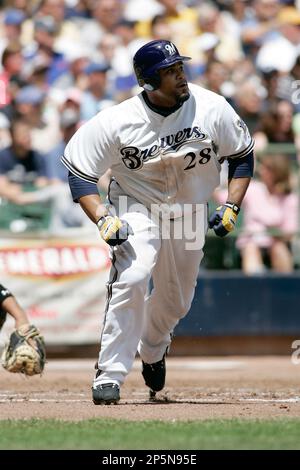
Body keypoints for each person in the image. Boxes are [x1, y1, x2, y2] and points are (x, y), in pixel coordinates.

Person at [62, 40, 254, 405]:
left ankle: (152, 347)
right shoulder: (117, 120)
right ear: (149, 81)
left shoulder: (211, 107)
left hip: (190, 210)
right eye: (170, 71)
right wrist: (103, 218)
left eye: (179, 67)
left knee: (177, 300)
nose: (180, 75)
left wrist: (232, 206)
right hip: (137, 207)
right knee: (132, 278)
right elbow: (80, 172)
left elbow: (242, 155)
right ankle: (110, 374)